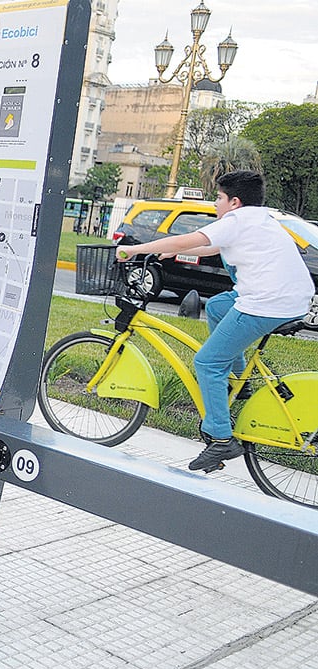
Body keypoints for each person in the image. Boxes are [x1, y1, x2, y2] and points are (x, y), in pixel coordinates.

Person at [116, 170, 314, 472]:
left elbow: (188, 240)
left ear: (234, 202)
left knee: (207, 363)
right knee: (219, 306)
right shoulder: (259, 219)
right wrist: (170, 252)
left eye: (218, 198)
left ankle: (221, 438)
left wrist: (135, 249)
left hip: (265, 304)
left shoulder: (236, 220)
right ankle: (240, 380)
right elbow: (210, 247)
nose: (215, 204)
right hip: (289, 300)